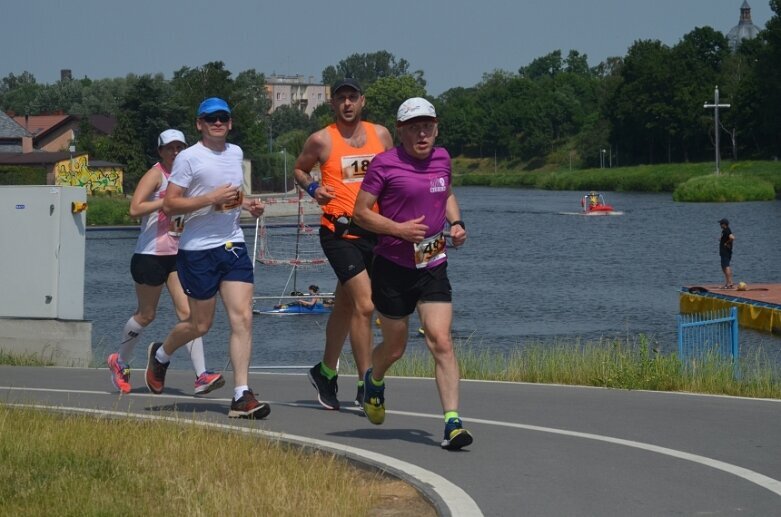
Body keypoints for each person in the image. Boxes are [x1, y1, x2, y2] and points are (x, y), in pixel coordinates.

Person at [353, 97, 473, 451]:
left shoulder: (443, 158)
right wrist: (397, 229)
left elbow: (446, 192)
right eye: (415, 128)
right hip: (392, 266)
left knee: (441, 340)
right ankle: (373, 381)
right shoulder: (384, 165)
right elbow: (361, 213)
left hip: (433, 263)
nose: (423, 134)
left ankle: (452, 422)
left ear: (436, 128)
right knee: (395, 348)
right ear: (401, 132)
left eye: (428, 126)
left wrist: (457, 222)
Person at [144, 97, 269, 419]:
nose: (218, 123)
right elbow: (171, 205)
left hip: (232, 244)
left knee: (242, 317)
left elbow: (230, 195)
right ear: (199, 123)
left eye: (223, 118)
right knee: (201, 324)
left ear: (230, 122)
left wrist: (247, 205)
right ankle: (161, 353)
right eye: (210, 118)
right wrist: (210, 198)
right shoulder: (188, 158)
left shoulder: (236, 153)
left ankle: (241, 394)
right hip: (197, 250)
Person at [293, 78, 393, 410]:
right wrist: (312, 190)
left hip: (375, 232)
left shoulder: (380, 135)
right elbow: (299, 169)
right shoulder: (322, 139)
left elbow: (395, 174)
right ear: (332, 104)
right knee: (365, 305)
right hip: (340, 233)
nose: (347, 103)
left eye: (352, 97)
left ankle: (324, 372)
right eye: (341, 98)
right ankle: (367, 383)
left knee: (346, 306)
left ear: (362, 101)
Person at [107, 130, 225, 396]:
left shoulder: (188, 176)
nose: (175, 152)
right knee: (146, 315)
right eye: (169, 148)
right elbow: (135, 208)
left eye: (179, 147)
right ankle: (120, 361)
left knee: (189, 316)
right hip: (150, 255)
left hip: (178, 253)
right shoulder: (156, 174)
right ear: (160, 151)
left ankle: (201, 375)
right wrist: (165, 202)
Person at [719, 218, 735, 288]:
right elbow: (727, 237)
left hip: (725, 251)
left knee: (726, 266)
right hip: (724, 251)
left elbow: (732, 237)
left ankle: (730, 283)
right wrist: (722, 239)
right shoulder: (725, 231)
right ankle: (728, 282)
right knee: (723, 266)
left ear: (724, 224)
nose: (720, 225)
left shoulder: (727, 230)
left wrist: (726, 243)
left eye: (721, 224)